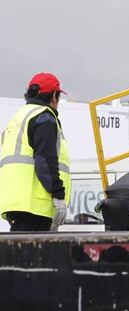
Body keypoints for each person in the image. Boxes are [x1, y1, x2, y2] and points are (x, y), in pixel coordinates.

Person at [0, 72, 71, 231]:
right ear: (54, 95)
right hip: (36, 205)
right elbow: (45, 161)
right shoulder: (44, 118)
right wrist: (58, 195)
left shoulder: (17, 119)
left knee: (19, 253)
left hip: (15, 203)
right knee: (36, 254)